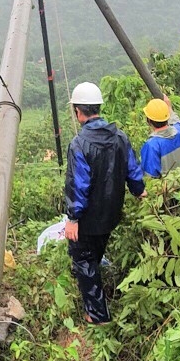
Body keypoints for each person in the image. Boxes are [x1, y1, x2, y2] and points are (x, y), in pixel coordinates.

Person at [64, 83, 145, 324]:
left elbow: (78, 185)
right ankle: (100, 288)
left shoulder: (79, 144)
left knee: (84, 261)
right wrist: (140, 191)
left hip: (89, 218)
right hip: (111, 214)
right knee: (95, 253)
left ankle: (98, 316)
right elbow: (133, 170)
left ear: (78, 111)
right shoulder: (120, 137)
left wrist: (73, 218)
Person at [140, 96, 180, 178]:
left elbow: (150, 177)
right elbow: (178, 123)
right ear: (167, 118)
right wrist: (169, 107)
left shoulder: (152, 145)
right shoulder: (178, 133)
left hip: (164, 189)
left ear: (148, 120)